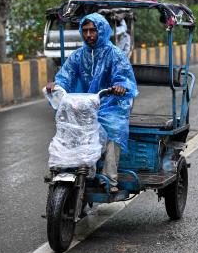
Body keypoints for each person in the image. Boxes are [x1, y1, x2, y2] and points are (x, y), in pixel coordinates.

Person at [46, 13, 138, 193]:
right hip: (86, 104)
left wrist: (120, 86)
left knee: (113, 130)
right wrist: (56, 85)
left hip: (112, 104)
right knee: (71, 128)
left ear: (101, 30)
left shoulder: (115, 54)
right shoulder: (78, 56)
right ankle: (72, 167)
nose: (88, 35)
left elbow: (125, 79)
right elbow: (66, 76)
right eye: (85, 30)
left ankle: (110, 179)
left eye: (93, 30)